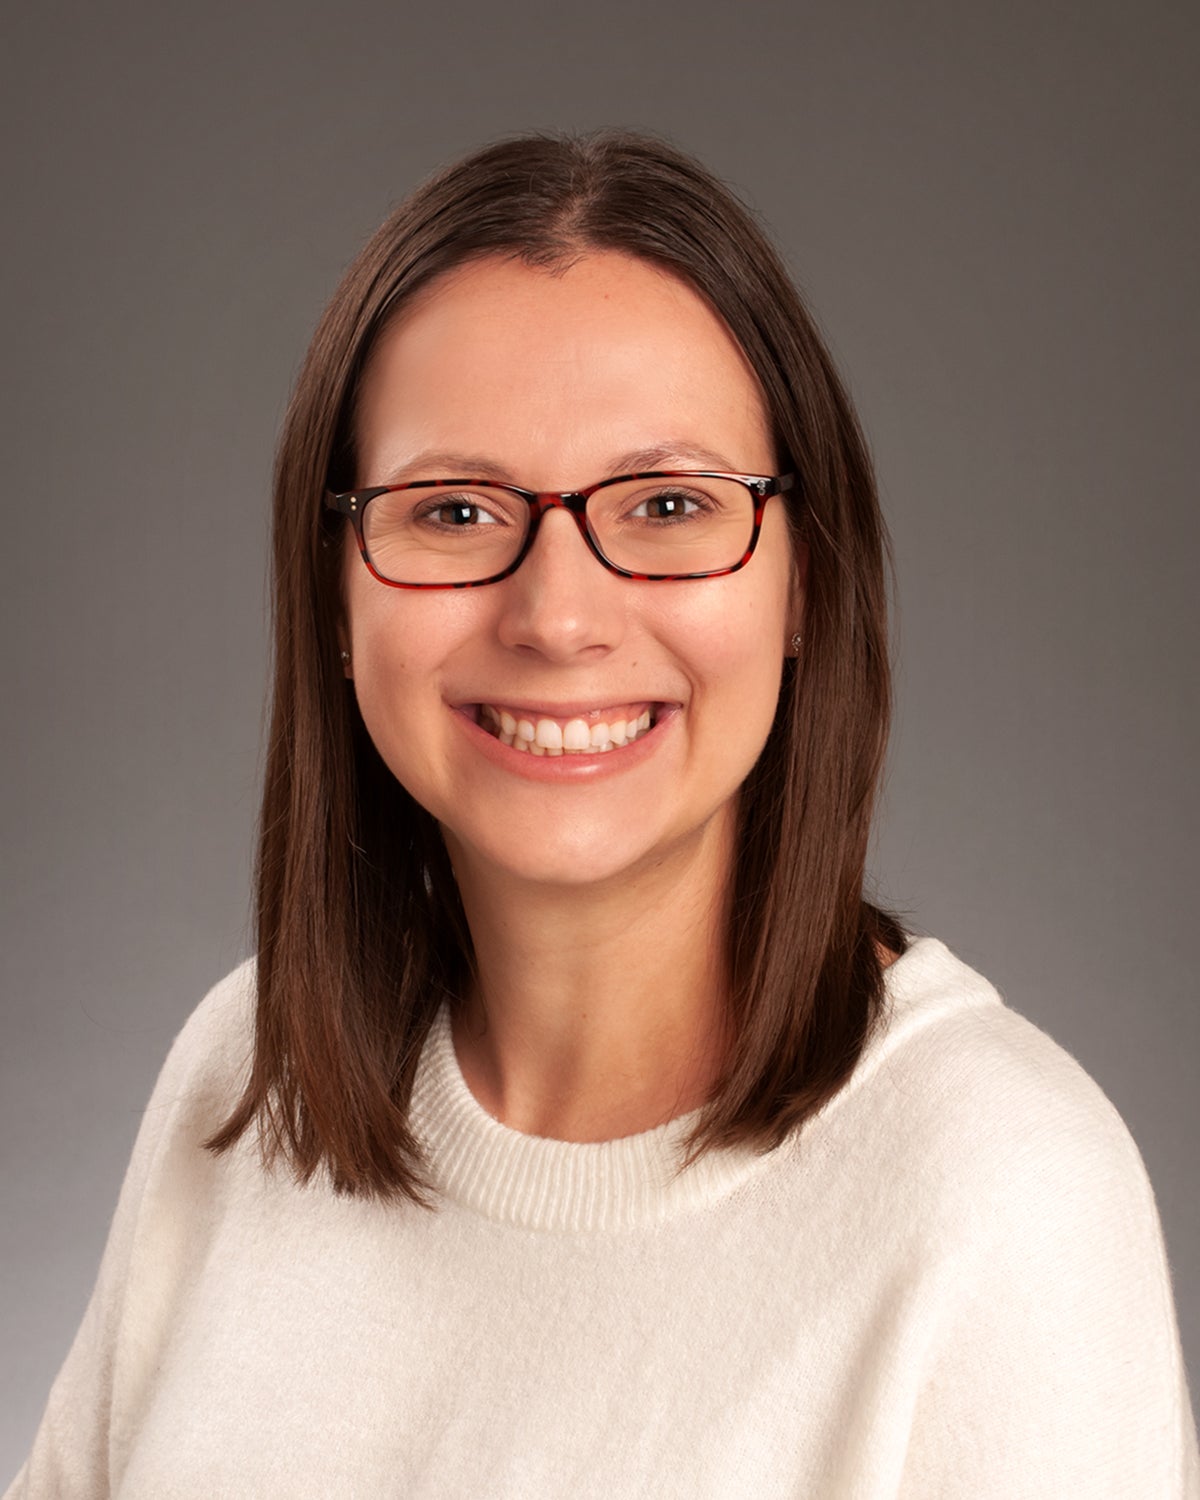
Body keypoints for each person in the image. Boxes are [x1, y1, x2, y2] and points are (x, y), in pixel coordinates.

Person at [7, 129, 1197, 1499]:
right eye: (452, 509)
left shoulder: (1006, 1205)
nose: (559, 617)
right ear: (335, 591)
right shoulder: (245, 1075)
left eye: (670, 504)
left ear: (805, 583)